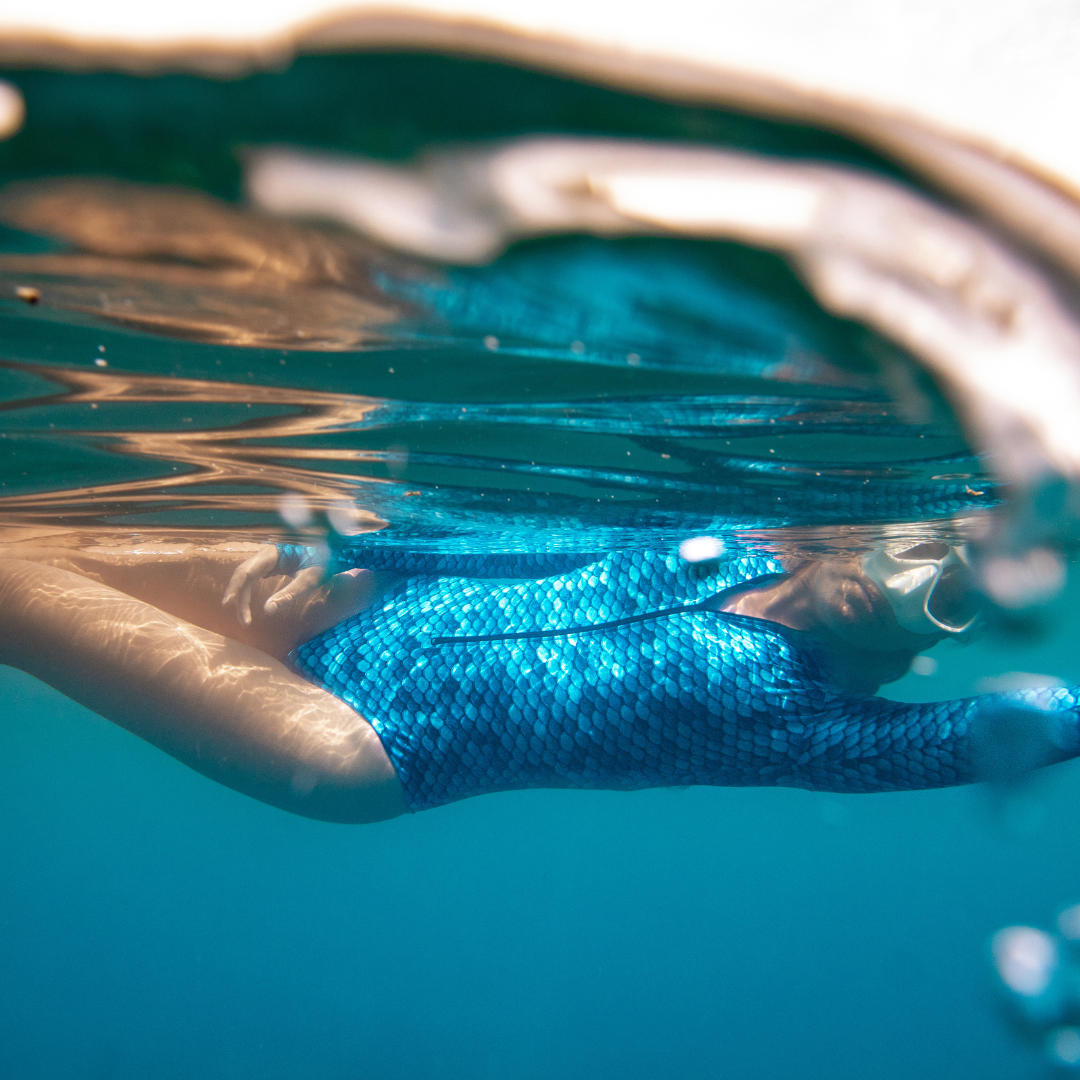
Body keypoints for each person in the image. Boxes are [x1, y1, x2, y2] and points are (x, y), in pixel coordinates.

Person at [2, 529, 1071, 823]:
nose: (911, 583)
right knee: (36, 537)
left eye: (956, 595)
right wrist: (386, 543)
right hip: (355, 592)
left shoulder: (821, 726)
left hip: (355, 743)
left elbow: (1036, 721)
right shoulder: (736, 520)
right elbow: (519, 543)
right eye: (930, 547)